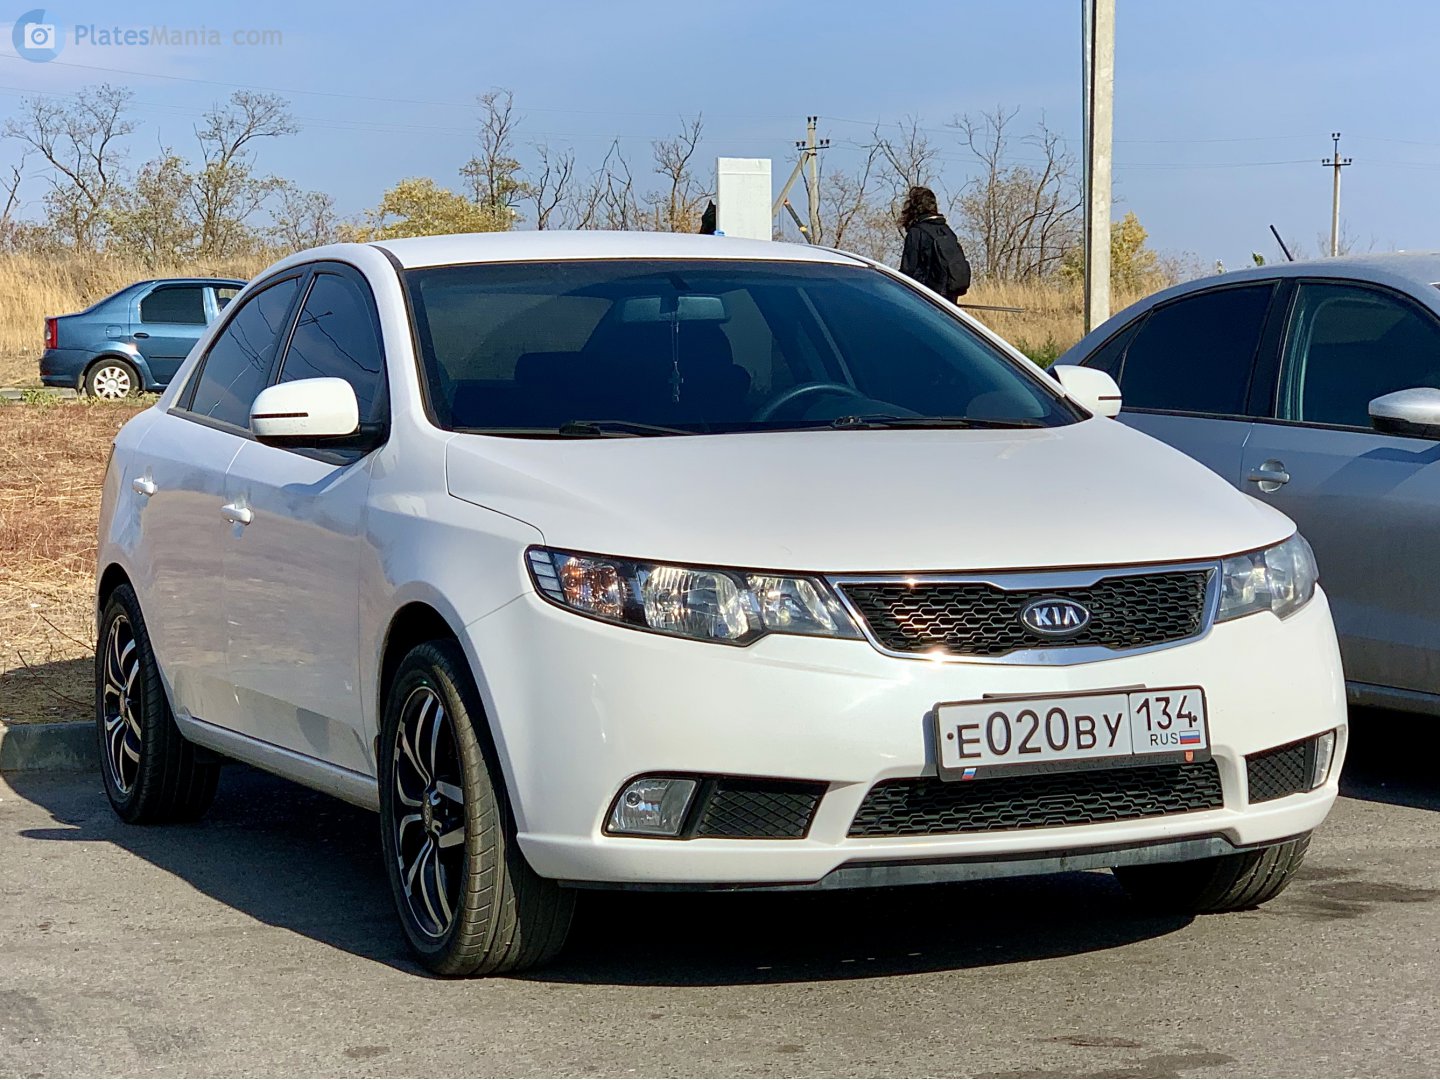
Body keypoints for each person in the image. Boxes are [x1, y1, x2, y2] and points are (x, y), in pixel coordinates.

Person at [898, 186, 972, 300]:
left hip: (926, 297)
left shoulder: (916, 232)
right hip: (949, 296)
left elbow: (907, 271)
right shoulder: (946, 230)